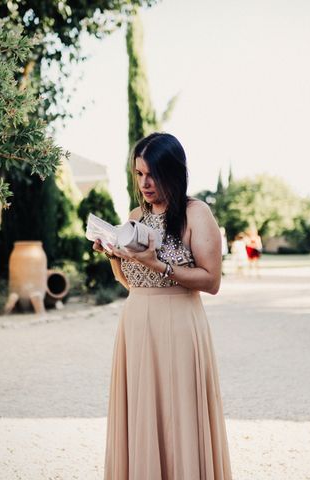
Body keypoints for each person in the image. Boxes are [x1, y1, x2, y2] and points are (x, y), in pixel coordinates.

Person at [93, 132, 232, 480]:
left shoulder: (195, 213)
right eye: (138, 174)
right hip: (137, 322)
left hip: (179, 322)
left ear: (173, 171)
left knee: (179, 414)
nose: (145, 183)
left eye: (152, 174)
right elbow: (131, 281)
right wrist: (114, 255)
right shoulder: (135, 215)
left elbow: (211, 281)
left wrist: (160, 265)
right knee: (141, 413)